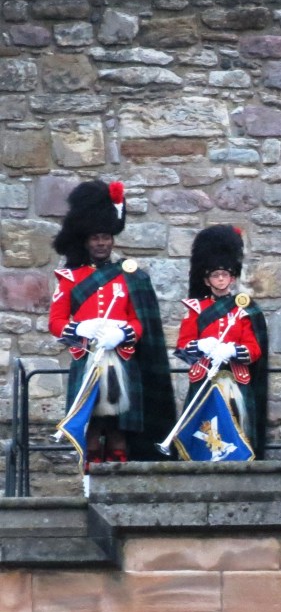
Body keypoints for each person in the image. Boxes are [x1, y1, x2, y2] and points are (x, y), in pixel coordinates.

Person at [49, 178, 174, 465]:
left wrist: (123, 333)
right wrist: (80, 328)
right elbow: (56, 321)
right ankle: (89, 487)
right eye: (95, 237)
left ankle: (121, 489)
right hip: (88, 359)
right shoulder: (69, 278)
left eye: (106, 236)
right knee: (91, 432)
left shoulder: (128, 274)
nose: (101, 242)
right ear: (86, 240)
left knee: (119, 433)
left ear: (112, 239)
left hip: (121, 360)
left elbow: (139, 320)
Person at [174, 225, 269, 458]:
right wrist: (202, 346)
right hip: (205, 376)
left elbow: (254, 349)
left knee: (236, 426)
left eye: (225, 275)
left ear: (233, 278)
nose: (220, 279)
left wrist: (233, 350)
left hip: (234, 377)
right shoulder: (196, 308)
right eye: (215, 275)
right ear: (207, 280)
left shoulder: (243, 309)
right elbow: (184, 344)